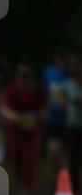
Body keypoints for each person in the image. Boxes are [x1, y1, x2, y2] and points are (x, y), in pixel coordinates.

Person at [0, 63, 46, 195]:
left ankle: (26, 188)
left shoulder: (37, 91)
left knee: (29, 158)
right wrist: (13, 116)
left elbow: (44, 109)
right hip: (15, 131)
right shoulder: (12, 90)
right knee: (16, 157)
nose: (24, 78)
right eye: (22, 75)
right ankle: (19, 183)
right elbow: (3, 108)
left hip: (32, 131)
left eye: (27, 75)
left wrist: (38, 116)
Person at [42, 50, 71, 181]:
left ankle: (65, 179)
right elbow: (44, 92)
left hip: (69, 118)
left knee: (66, 151)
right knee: (53, 149)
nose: (62, 61)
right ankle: (54, 177)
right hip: (53, 117)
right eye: (60, 58)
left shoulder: (72, 74)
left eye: (65, 58)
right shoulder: (48, 72)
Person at [62, 55, 82, 195]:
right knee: (73, 158)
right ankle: (74, 189)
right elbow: (62, 105)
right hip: (71, 125)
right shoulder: (67, 85)